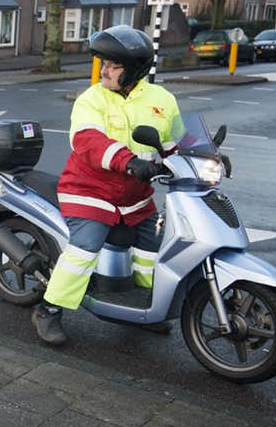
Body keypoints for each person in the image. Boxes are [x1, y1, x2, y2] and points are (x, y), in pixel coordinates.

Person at [31, 25, 180, 346]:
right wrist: (129, 161)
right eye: (103, 63)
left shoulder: (163, 100)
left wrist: (210, 157)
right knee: (85, 248)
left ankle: (146, 309)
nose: (104, 71)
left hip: (136, 197)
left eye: (114, 65)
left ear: (135, 69)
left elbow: (176, 141)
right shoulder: (91, 99)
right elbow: (88, 140)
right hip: (89, 191)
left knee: (152, 249)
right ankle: (49, 309)